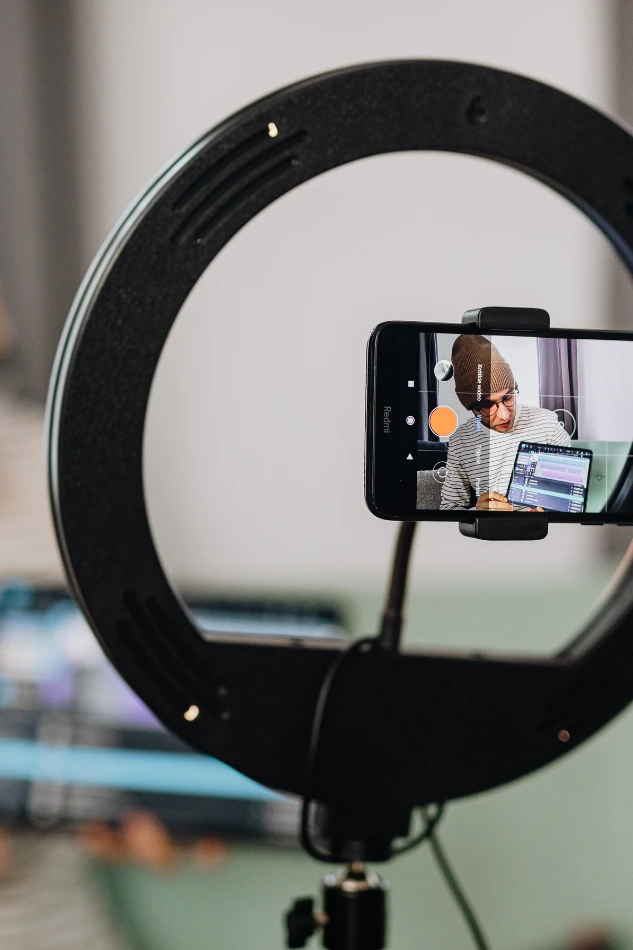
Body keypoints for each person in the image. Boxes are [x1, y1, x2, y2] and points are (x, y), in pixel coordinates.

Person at [440, 333, 571, 511]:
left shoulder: (548, 423)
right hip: (488, 535)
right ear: (471, 407)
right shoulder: (461, 441)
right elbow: (449, 507)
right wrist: (478, 513)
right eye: (487, 405)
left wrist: (551, 513)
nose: (504, 415)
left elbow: (572, 496)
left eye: (508, 397)